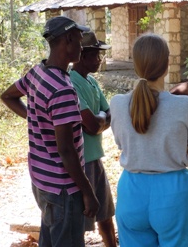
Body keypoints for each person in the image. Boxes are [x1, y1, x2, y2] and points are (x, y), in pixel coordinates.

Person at [0, 16, 99, 247]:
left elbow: (8, 96)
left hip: (42, 181)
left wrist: (36, 118)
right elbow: (66, 150)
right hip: (64, 187)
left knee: (50, 239)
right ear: (68, 40)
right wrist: (88, 192)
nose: (82, 47)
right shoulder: (63, 90)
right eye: (79, 40)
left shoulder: (37, 72)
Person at [109, 33, 188, 247]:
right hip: (173, 193)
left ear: (136, 65)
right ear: (166, 63)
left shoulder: (117, 104)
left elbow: (122, 144)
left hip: (131, 192)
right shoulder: (185, 105)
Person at [69, 31, 117, 247]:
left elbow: (108, 115)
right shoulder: (71, 83)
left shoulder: (91, 82)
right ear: (82, 56)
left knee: (105, 213)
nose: (99, 60)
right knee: (79, 220)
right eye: (95, 55)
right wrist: (99, 121)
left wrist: (99, 122)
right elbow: (91, 124)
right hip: (80, 161)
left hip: (95, 158)